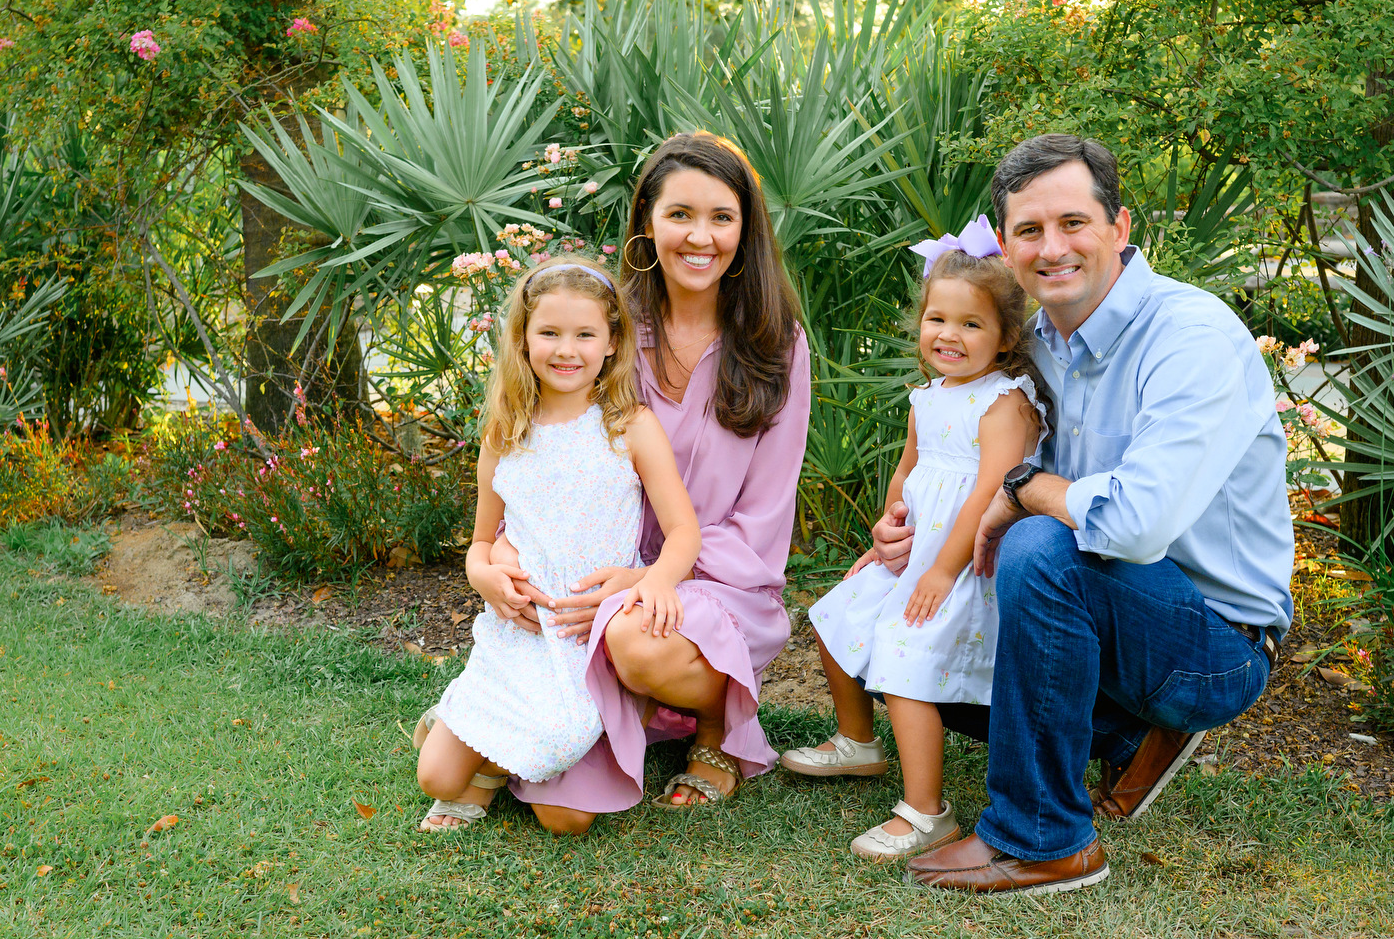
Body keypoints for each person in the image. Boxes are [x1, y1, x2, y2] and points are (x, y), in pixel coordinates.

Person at [892, 134, 1295, 895]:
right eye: (1029, 231)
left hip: (1214, 641)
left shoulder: (1190, 337)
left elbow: (1135, 525)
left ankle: (1046, 842)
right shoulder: (1031, 342)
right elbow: (960, 447)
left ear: (1120, 227)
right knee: (928, 662)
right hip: (1111, 605)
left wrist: (1023, 490)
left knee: (1040, 543)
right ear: (1006, 247)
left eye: (1073, 223)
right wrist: (907, 525)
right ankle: (1133, 735)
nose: (1053, 248)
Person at [491, 132, 812, 831]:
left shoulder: (775, 340)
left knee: (634, 641)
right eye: (679, 215)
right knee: (590, 667)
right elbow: (545, 455)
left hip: (724, 578)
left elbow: (766, 511)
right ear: (646, 221)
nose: (701, 237)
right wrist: (499, 557)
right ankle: (543, 712)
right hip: (598, 569)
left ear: (745, 228)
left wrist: (650, 577)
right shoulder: (605, 330)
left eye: (722, 217)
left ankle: (713, 731)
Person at [783, 219, 1047, 861]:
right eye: (938, 319)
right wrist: (884, 532)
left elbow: (991, 494)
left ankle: (928, 810)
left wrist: (939, 571)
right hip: (914, 556)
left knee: (904, 659)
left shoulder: (1006, 401)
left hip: (963, 566)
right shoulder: (927, 397)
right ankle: (858, 742)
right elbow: (908, 470)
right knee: (834, 615)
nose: (949, 336)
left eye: (971, 324)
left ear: (1006, 336)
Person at [410, 257, 702, 831]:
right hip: (519, 631)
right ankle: (475, 738)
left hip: (587, 635)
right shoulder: (505, 429)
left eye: (585, 334)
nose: (566, 349)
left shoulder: (629, 426)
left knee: (566, 819)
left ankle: (494, 747)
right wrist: (484, 576)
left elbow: (683, 533)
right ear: (522, 339)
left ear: (612, 342)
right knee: (437, 779)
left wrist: (655, 580)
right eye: (549, 333)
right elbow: (479, 542)